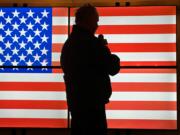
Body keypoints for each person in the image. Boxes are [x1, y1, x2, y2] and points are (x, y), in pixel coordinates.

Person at [60, 4, 120, 135]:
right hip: (93, 107)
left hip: (77, 105)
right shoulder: (92, 44)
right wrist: (104, 47)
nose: (97, 25)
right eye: (96, 20)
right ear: (89, 20)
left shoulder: (69, 44)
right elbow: (113, 67)